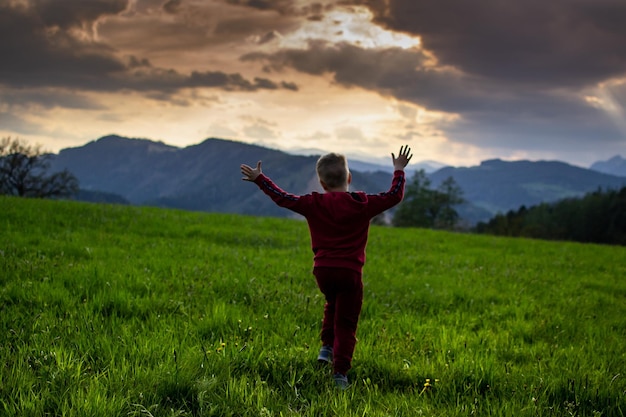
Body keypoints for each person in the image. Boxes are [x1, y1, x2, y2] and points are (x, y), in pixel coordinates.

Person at [240, 145, 412, 388]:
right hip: (350, 273)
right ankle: (340, 373)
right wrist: (398, 170)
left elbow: (283, 198)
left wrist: (260, 179)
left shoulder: (313, 203)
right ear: (349, 178)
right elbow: (394, 195)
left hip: (323, 272)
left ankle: (326, 349)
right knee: (346, 323)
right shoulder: (362, 203)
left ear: (321, 183)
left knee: (332, 303)